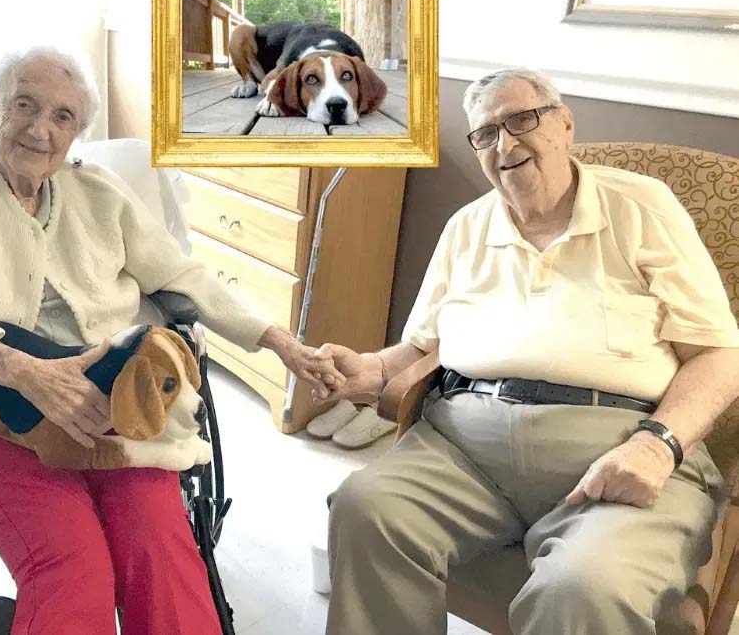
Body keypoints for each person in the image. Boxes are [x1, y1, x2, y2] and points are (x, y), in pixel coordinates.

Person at [0, 45, 342, 635]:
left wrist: (279, 341)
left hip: (117, 404)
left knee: (160, 548)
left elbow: (183, 276)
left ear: (78, 132)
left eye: (63, 116)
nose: (40, 130)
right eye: (24, 105)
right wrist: (26, 371)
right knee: (73, 566)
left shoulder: (98, 190)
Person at [316, 68, 739, 634]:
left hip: (619, 446)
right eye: (485, 134)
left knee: (582, 586)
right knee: (363, 508)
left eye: (521, 120)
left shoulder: (641, 206)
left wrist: (657, 445)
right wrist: (367, 369)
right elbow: (419, 347)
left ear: (564, 124)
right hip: (461, 449)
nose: (505, 144)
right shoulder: (465, 227)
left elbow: (718, 354)